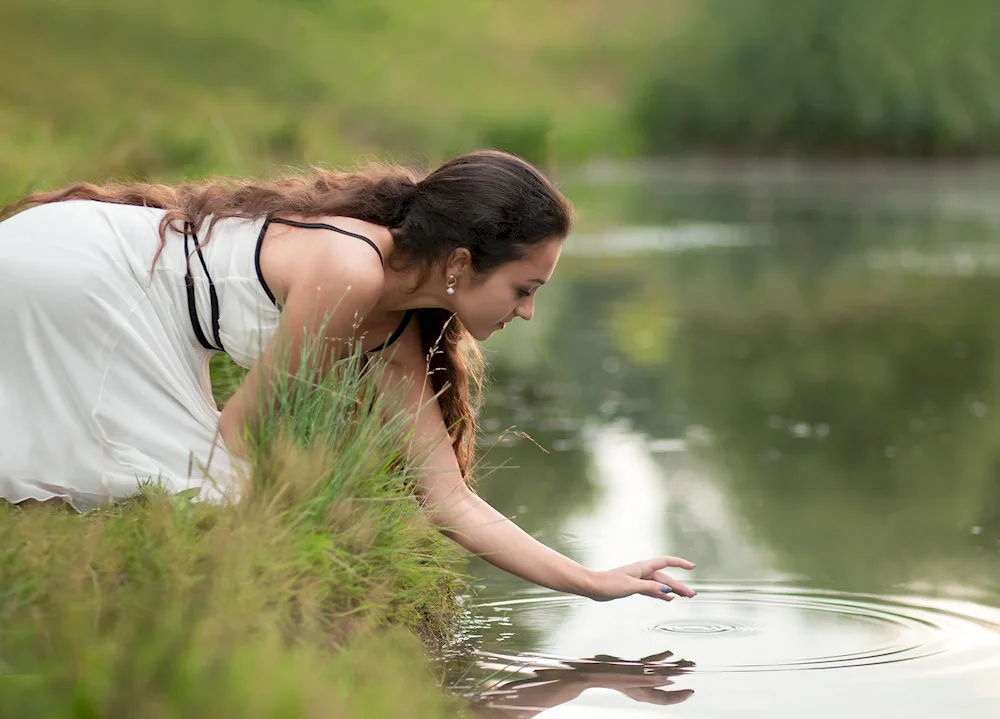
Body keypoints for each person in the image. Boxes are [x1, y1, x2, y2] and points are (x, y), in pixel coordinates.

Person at [0, 150, 695, 602]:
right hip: (75, 277)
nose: (532, 311)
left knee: (190, 491)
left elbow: (448, 500)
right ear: (458, 264)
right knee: (206, 492)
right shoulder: (351, 273)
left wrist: (594, 580)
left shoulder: (395, 324)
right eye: (522, 288)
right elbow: (239, 430)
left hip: (97, 285)